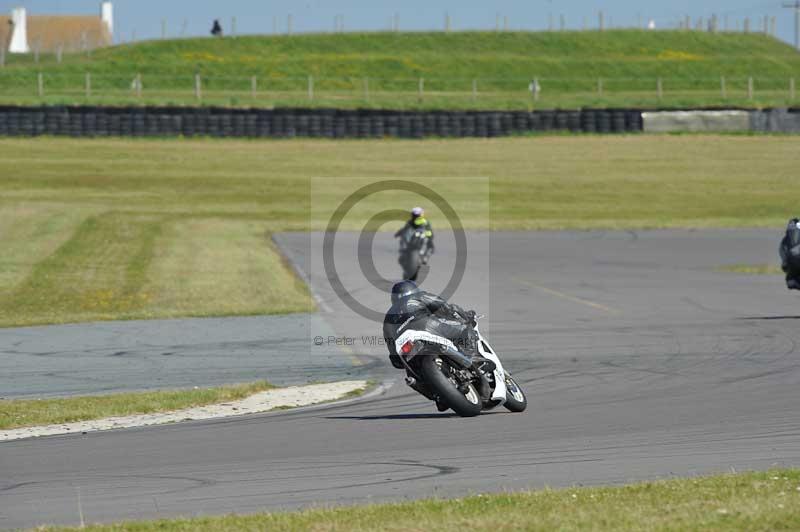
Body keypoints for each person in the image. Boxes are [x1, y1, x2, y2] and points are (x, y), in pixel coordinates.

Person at [383, 280, 482, 410]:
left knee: (412, 374)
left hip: (405, 346)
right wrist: (465, 316)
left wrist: (401, 362)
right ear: (413, 290)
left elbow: (395, 359)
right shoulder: (418, 296)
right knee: (465, 328)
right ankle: (471, 358)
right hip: (428, 327)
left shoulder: (387, 320)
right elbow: (445, 307)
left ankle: (437, 395)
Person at [780, 218, 800, 290]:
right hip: (794, 261)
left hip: (792, 261)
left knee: (790, 282)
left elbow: (782, 251)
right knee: (791, 281)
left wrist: (785, 265)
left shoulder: (786, 239)